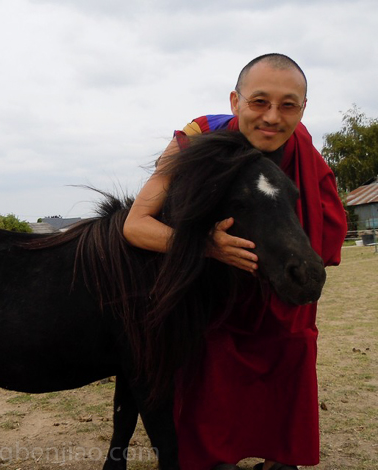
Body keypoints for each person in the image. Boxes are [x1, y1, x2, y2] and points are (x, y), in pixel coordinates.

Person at [123, 54, 348, 470]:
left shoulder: (301, 146)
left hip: (281, 292)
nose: (273, 117)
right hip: (217, 295)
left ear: (303, 109)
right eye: (259, 102)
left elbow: (324, 220)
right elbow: (136, 225)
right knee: (214, 371)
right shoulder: (197, 139)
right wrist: (207, 247)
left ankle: (282, 457)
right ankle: (217, 458)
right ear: (235, 101)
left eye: (288, 105)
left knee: (292, 352)